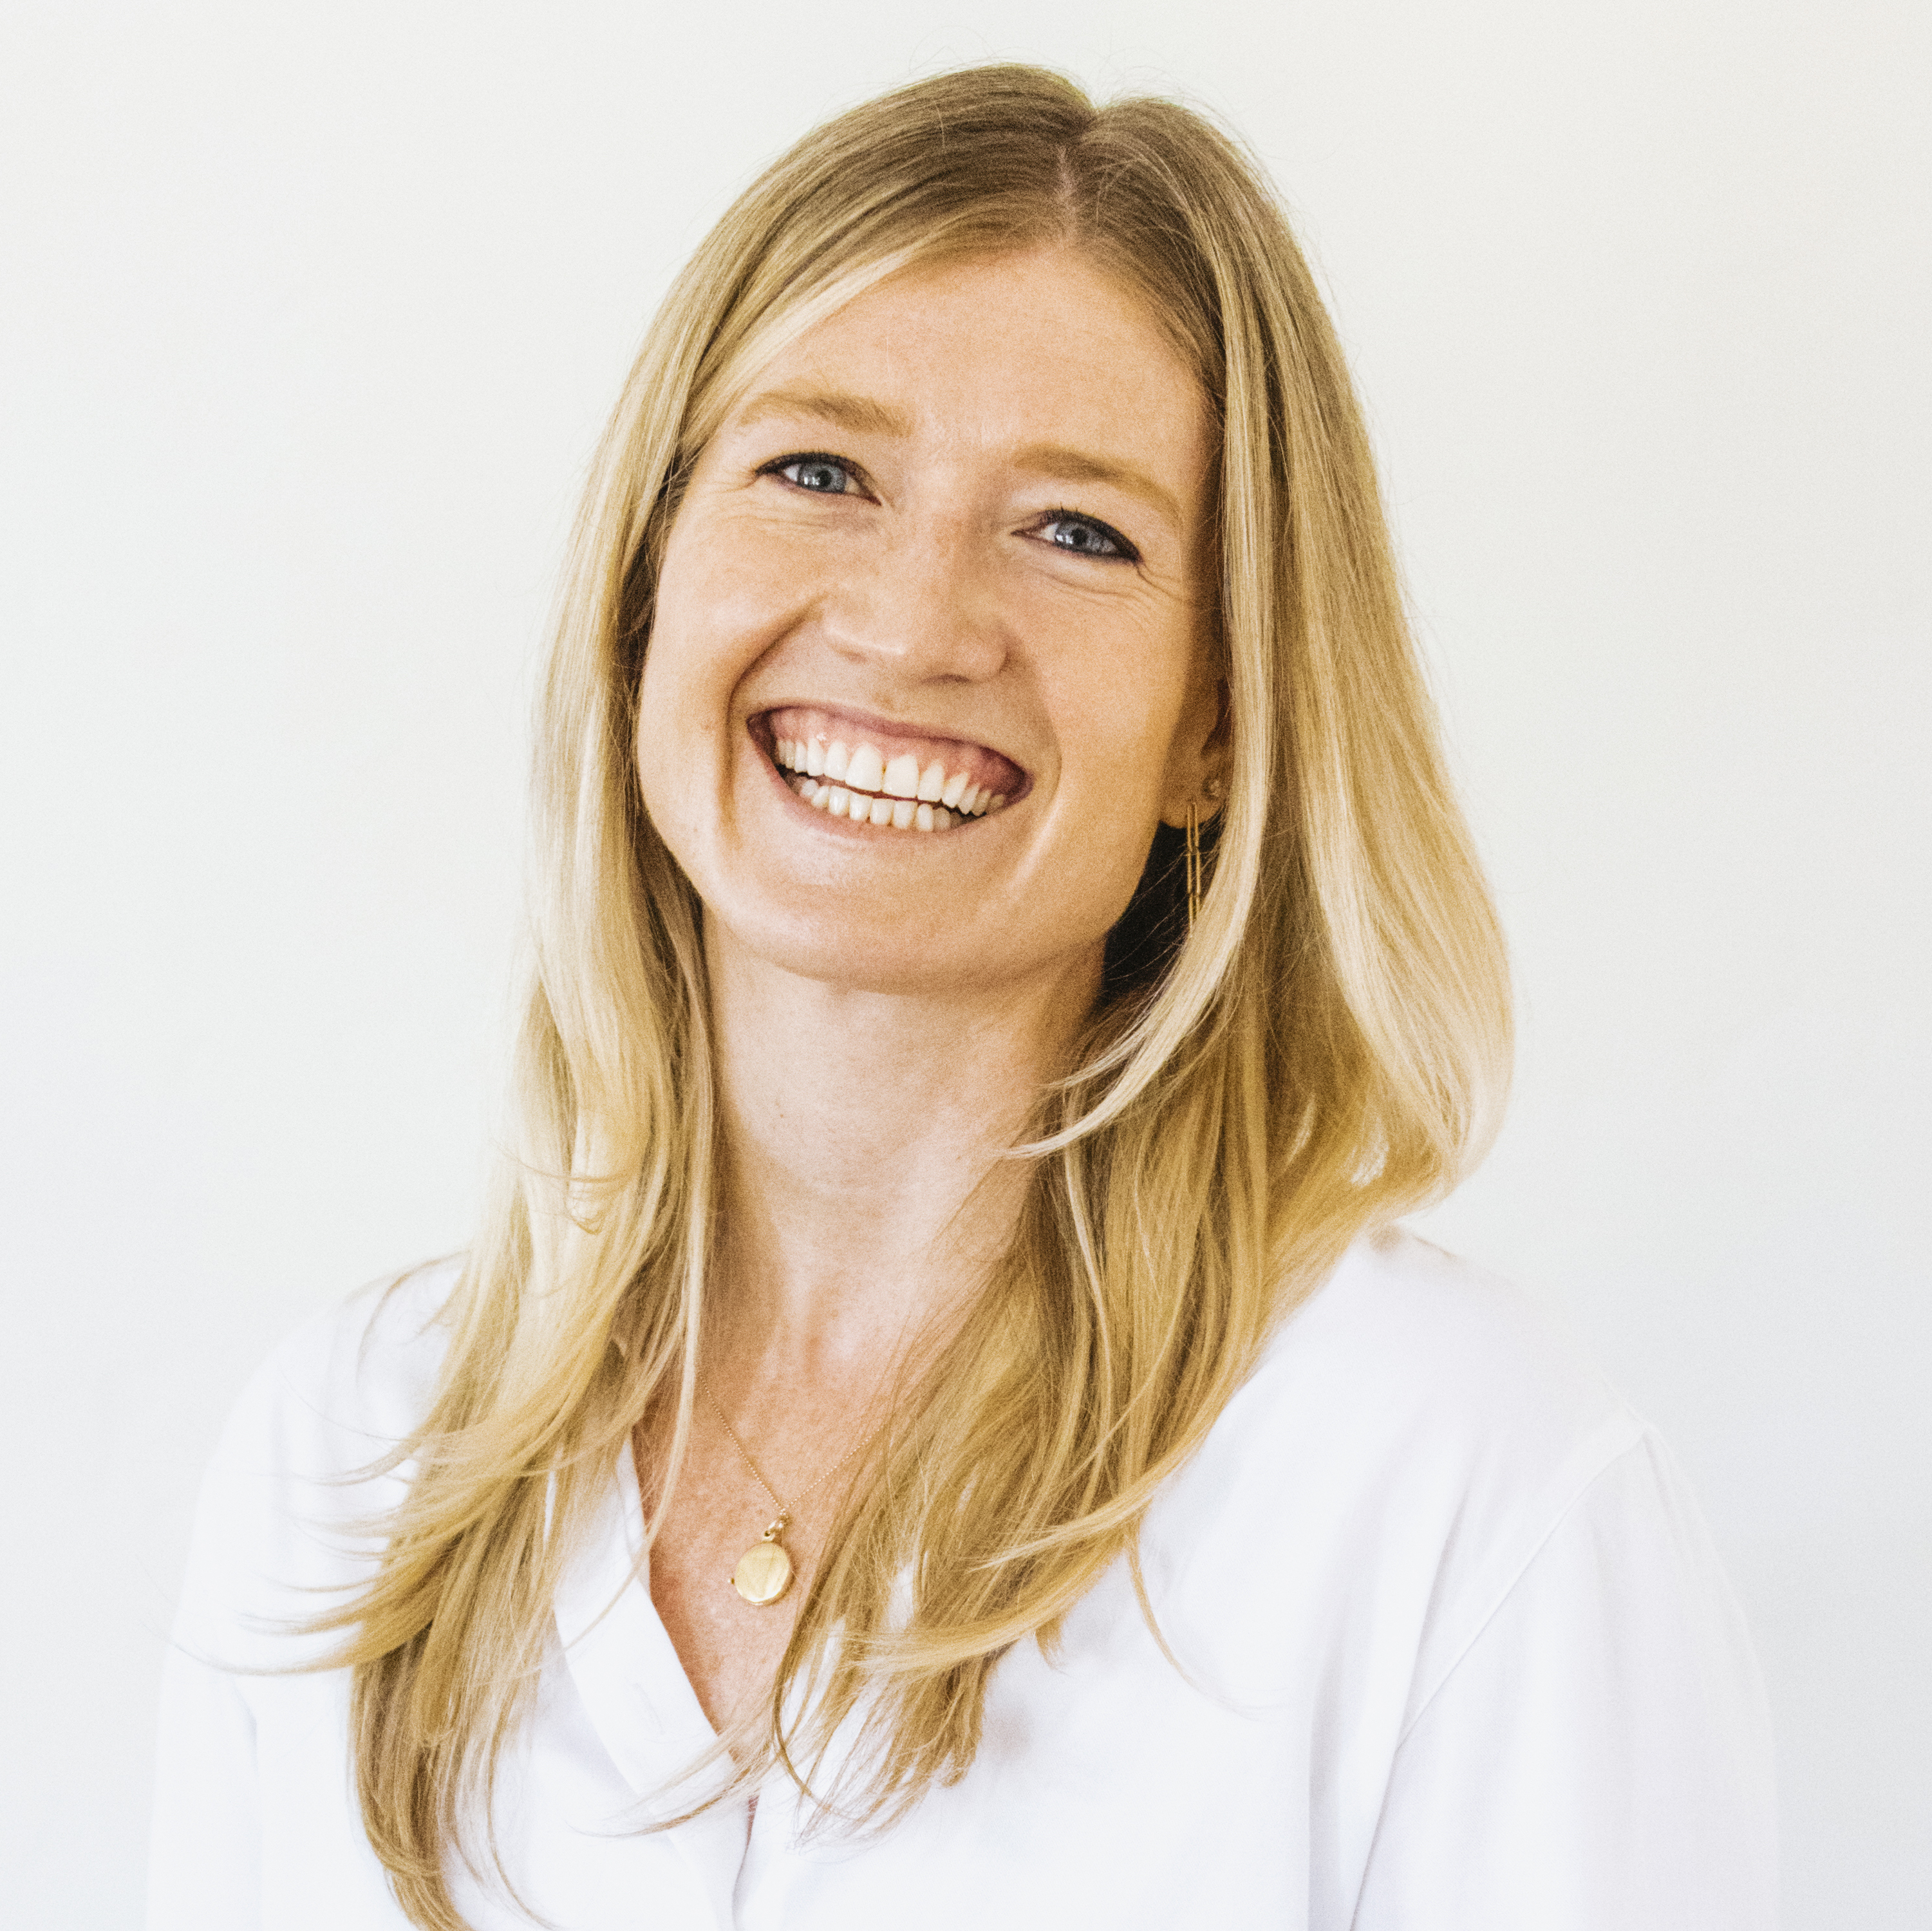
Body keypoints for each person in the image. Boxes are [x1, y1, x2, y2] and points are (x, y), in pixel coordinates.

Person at [148, 64, 1777, 1931]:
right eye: (816, 472)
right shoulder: (345, 1453)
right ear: (645, 585)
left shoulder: (1461, 1485)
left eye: (1077, 531)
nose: (914, 624)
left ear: (1216, 724)